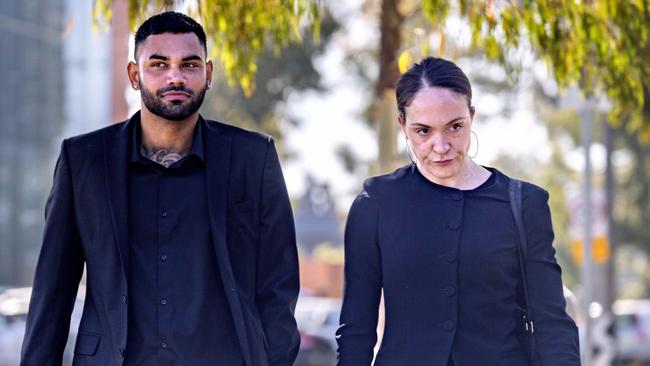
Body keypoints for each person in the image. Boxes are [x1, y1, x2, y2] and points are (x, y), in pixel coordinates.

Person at [21, 11, 300, 366]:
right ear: (134, 75)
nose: (175, 76)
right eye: (158, 64)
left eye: (189, 64)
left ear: (208, 74)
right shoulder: (84, 161)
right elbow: (53, 290)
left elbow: (278, 283)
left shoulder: (253, 158)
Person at [336, 57, 580, 365]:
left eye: (455, 127)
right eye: (423, 131)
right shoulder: (376, 203)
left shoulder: (524, 203)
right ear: (402, 125)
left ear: (472, 117)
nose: (441, 146)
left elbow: (552, 324)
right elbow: (356, 330)